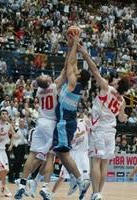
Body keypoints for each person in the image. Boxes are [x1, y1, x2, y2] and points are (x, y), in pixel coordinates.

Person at [40, 35, 91, 200]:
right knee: (61, 153)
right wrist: (72, 47)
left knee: (63, 153)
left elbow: (70, 64)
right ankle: (78, 179)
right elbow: (71, 64)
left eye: (76, 72)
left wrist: (75, 44)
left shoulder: (72, 84)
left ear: (77, 77)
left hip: (64, 123)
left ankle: (80, 180)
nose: (74, 71)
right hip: (67, 122)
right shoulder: (76, 83)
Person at [78, 45, 130, 200]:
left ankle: (94, 193)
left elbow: (94, 70)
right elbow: (122, 119)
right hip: (111, 131)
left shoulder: (106, 88)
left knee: (95, 162)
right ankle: (98, 193)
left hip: (99, 129)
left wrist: (85, 54)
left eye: (117, 80)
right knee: (105, 164)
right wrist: (124, 116)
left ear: (117, 85)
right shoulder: (123, 102)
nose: (114, 79)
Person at [14, 69, 66, 200]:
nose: (45, 74)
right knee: (50, 157)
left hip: (40, 122)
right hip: (51, 124)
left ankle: (22, 183)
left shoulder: (39, 91)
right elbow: (65, 71)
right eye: (45, 76)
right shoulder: (54, 86)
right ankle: (45, 187)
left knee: (32, 155)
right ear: (48, 81)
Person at [51, 112, 90, 197]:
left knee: (85, 179)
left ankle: (81, 196)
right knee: (62, 176)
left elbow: (88, 122)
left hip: (82, 154)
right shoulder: (70, 127)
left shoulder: (82, 121)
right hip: (72, 154)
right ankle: (51, 194)